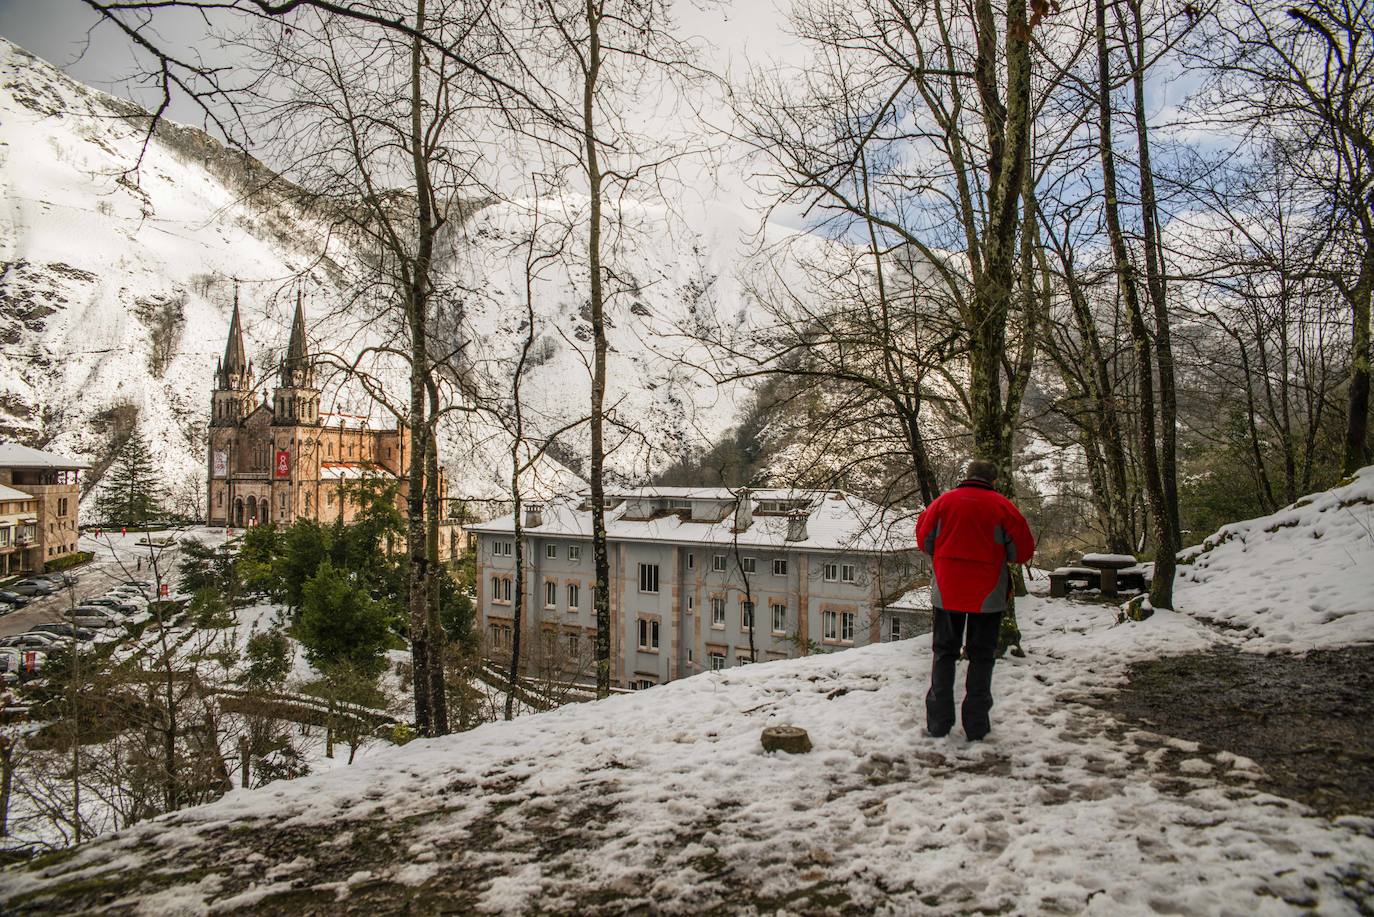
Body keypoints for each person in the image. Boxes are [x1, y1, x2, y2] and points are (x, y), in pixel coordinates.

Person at [915, 459, 1035, 740]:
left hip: (948, 590)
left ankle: (938, 723)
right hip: (988, 593)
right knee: (982, 656)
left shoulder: (943, 504)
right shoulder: (1003, 508)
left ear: (967, 476)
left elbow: (924, 540)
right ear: (993, 481)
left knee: (944, 653)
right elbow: (1022, 551)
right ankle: (976, 724)